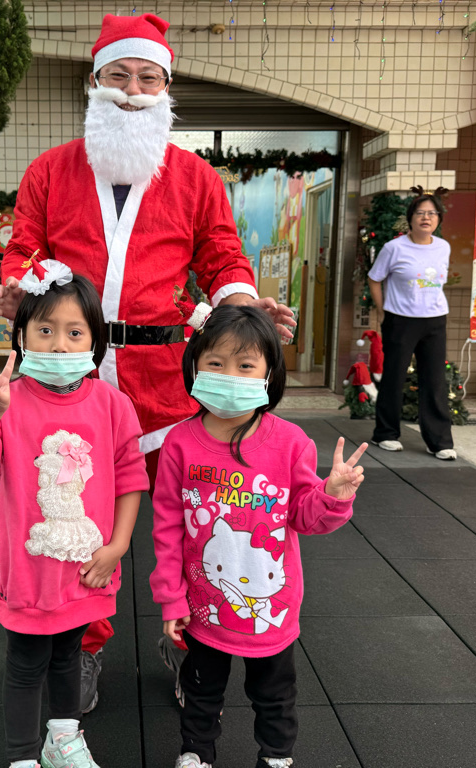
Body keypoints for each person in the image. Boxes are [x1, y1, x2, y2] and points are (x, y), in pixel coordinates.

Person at [0, 11, 296, 712]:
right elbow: (26, 247)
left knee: (189, 518)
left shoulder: (194, 177)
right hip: (73, 376)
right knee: (75, 513)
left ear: (165, 89)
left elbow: (222, 256)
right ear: (94, 81)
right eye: (120, 75)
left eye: (148, 77)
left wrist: (243, 308)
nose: (133, 90)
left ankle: (190, 639)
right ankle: (84, 646)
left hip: (162, 379)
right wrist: (18, 286)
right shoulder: (50, 170)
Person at [0, 258, 148, 768]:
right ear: (22, 336)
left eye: (74, 332)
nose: (59, 345)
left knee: (68, 656)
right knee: (25, 662)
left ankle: (63, 740)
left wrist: (119, 545)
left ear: (95, 342)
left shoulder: (113, 405)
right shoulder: (7, 402)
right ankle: (22, 757)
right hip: (28, 570)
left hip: (85, 565)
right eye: (45, 330)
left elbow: (130, 478)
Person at [150, 304, 367, 768]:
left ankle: (276, 757)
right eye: (215, 363)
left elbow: (306, 517)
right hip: (203, 608)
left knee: (274, 694)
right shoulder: (180, 443)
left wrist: (332, 495)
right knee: (200, 691)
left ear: (269, 373)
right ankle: (196, 753)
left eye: (245, 365)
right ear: (194, 366)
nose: (229, 375)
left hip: (272, 610)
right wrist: (171, 598)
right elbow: (167, 526)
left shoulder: (290, 443)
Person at [367, 189, 456, 460]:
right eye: (420, 213)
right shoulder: (393, 248)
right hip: (400, 320)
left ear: (438, 218)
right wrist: (382, 311)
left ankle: (439, 442)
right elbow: (374, 278)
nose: (426, 218)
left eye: (431, 213)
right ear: (411, 218)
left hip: (435, 320)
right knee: (394, 377)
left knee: (435, 380)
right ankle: (385, 434)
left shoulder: (443, 247)